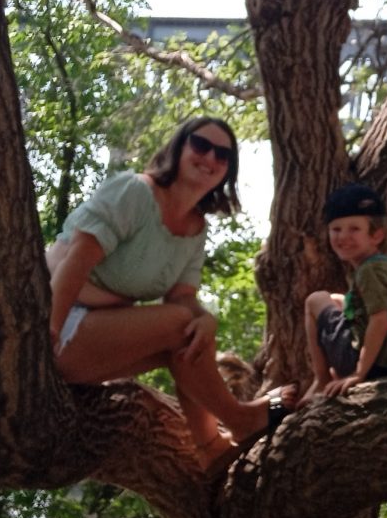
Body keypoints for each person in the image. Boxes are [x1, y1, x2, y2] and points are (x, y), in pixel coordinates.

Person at [47, 116, 287, 463]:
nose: (210, 158)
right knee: (178, 324)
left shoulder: (195, 228)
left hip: (94, 338)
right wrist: (48, 332)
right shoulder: (135, 192)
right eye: (201, 145)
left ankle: (209, 449)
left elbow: (182, 298)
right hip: (58, 326)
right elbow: (75, 263)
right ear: (179, 147)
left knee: (190, 332)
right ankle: (241, 419)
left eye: (223, 155)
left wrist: (208, 321)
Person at [303, 182, 387, 401]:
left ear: (376, 236)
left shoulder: (369, 271)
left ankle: (322, 379)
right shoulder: (385, 265)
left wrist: (358, 373)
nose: (343, 236)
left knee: (315, 300)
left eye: (354, 229)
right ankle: (328, 375)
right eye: (336, 229)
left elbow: (379, 320)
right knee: (336, 299)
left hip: (377, 365)